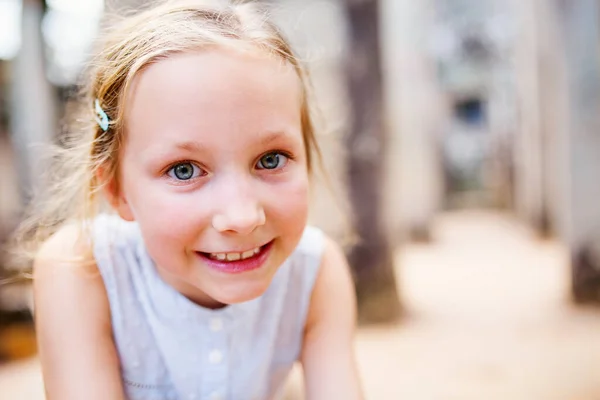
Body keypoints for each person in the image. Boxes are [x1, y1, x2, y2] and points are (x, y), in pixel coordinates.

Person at [21, 1, 362, 399]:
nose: (241, 216)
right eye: (184, 169)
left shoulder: (315, 272)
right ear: (116, 190)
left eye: (271, 160)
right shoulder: (81, 270)